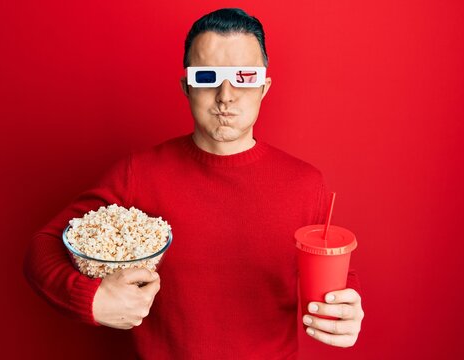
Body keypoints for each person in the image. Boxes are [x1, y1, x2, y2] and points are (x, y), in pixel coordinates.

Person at [23, 8, 364, 359]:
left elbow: (333, 271)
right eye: (207, 76)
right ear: (187, 86)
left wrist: (346, 307)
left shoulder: (305, 183)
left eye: (244, 76)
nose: (226, 94)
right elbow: (43, 246)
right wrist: (90, 298)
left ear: (264, 87)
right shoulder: (138, 174)